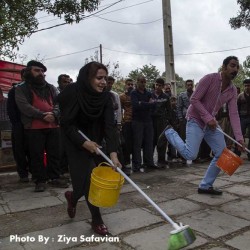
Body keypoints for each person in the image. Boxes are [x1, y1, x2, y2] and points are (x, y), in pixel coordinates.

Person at [158, 56, 245, 195]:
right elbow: (194, 99)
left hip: (211, 125)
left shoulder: (232, 90)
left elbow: (234, 114)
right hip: (195, 120)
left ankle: (205, 185)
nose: (235, 69)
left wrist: (239, 138)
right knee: (190, 155)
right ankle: (169, 132)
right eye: (232, 66)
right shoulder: (209, 79)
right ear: (223, 67)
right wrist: (208, 117)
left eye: (237, 67)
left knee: (222, 154)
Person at [58, 62, 122, 236]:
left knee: (85, 181)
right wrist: (83, 142)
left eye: (105, 78)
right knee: (88, 178)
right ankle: (97, 219)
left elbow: (110, 127)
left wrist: (113, 155)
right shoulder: (72, 92)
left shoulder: (106, 97)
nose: (103, 82)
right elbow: (66, 123)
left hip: (95, 140)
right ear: (88, 78)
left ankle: (72, 196)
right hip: (74, 140)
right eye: (99, 78)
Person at [15, 60, 68, 192]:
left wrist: (54, 114)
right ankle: (40, 180)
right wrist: (43, 115)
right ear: (28, 72)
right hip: (33, 128)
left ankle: (54, 178)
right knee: (36, 155)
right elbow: (24, 106)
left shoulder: (51, 87)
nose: (41, 73)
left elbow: (59, 103)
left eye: (42, 71)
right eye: (37, 70)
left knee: (55, 153)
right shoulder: (21, 88)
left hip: (53, 126)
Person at [7, 69, 30, 182]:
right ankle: (23, 174)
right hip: (19, 125)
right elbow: (11, 109)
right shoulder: (14, 90)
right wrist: (16, 124)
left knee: (34, 150)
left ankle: (36, 172)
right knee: (19, 150)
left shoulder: (37, 90)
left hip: (33, 125)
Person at [130, 76, 157, 172]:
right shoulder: (133, 93)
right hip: (137, 121)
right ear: (137, 82)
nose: (143, 84)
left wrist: (143, 103)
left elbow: (154, 105)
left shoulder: (149, 93)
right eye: (141, 82)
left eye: (144, 82)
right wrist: (147, 104)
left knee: (149, 142)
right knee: (137, 143)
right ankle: (136, 165)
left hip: (148, 120)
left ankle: (149, 162)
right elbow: (136, 105)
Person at [151, 78, 171, 168]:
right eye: (156, 85)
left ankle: (161, 160)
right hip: (151, 121)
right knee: (151, 141)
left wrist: (168, 122)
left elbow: (169, 110)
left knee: (162, 141)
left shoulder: (166, 97)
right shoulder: (150, 95)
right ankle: (149, 162)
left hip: (162, 122)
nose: (157, 87)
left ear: (163, 87)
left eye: (159, 85)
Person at [120, 78, 134, 174]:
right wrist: (121, 121)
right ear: (125, 85)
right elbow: (119, 110)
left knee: (136, 143)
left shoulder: (136, 95)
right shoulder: (122, 97)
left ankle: (137, 161)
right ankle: (127, 162)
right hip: (126, 122)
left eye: (131, 84)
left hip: (136, 121)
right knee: (126, 143)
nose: (130, 86)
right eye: (128, 84)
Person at [235, 79, 250, 160]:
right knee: (239, 135)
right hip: (242, 118)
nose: (247, 87)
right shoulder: (240, 96)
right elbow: (237, 108)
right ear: (244, 86)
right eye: (246, 86)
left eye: (249, 85)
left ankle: (249, 154)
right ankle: (237, 153)